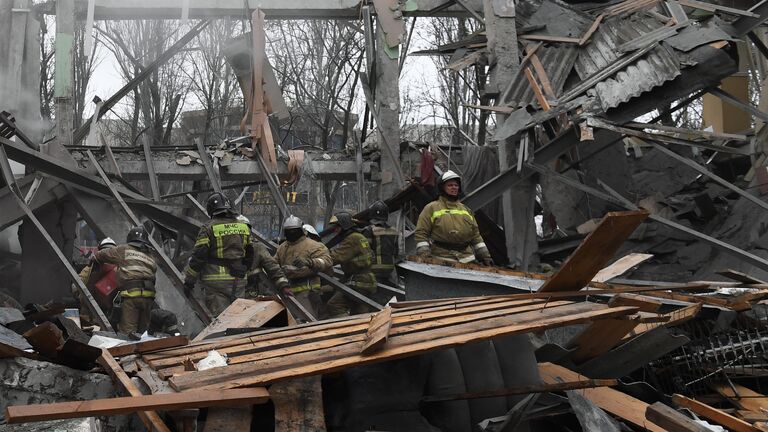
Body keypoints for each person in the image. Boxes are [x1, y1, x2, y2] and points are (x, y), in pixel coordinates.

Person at [183, 193, 253, 317]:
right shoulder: (244, 227)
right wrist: (243, 270)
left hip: (215, 282)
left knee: (221, 321)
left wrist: (189, 281)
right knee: (238, 319)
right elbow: (250, 254)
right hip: (239, 280)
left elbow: (199, 256)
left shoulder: (208, 228)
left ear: (211, 210)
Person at [414, 170, 493, 265]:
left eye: (456, 185)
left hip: (467, 260)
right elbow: (421, 233)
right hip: (441, 260)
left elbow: (476, 236)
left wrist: (485, 256)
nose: (454, 188)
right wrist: (424, 255)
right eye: (450, 185)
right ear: (442, 188)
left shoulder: (466, 210)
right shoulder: (431, 208)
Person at [94, 226, 157, 334]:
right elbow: (153, 276)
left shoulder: (125, 249)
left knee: (128, 333)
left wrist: (95, 258)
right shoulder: (151, 257)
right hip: (148, 298)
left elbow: (105, 254)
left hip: (132, 295)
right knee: (143, 333)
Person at [275, 215, 333, 319]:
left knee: (307, 322)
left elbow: (327, 261)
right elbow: (274, 265)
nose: (291, 234)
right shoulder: (282, 248)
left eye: (294, 231)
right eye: (289, 231)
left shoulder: (314, 246)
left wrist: (310, 262)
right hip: (286, 292)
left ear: (301, 230)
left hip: (308, 294)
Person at [326, 211, 377, 317]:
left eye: (337, 227)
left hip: (358, 281)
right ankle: (359, 331)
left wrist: (317, 258)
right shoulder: (358, 236)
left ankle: (347, 330)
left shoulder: (352, 239)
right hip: (366, 281)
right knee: (359, 314)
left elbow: (335, 257)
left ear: (344, 226)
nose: (335, 230)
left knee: (334, 305)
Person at [236, 214, 291, 298]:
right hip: (231, 292)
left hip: (253, 293)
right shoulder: (225, 248)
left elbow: (273, 267)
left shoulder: (257, 248)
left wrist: (283, 285)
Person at [75, 237, 118, 325]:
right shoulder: (119, 269)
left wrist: (80, 297)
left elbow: (76, 285)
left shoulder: (91, 267)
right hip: (107, 311)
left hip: (88, 308)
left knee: (86, 333)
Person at [364, 200, 399, 284]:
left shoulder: (369, 230)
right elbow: (397, 252)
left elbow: (364, 252)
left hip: (374, 272)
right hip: (390, 271)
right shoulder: (394, 231)